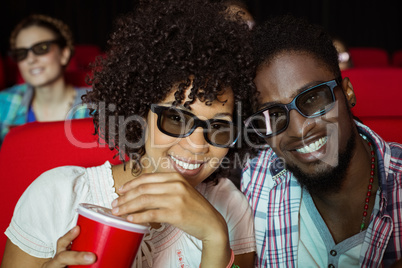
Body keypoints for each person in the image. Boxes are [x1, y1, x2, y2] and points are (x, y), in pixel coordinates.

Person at [1, 0, 257, 267]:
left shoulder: (229, 207)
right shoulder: (58, 195)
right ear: (141, 111)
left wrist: (215, 238)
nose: (196, 145)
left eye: (219, 128)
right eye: (176, 119)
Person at [242, 15, 402, 267]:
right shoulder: (250, 183)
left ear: (348, 92)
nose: (298, 130)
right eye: (273, 114)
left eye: (313, 99)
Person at [0, 14, 90, 146]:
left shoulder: (97, 105)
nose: (31, 59)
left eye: (42, 48)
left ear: (64, 54)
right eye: (21, 53)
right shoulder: (4, 103)